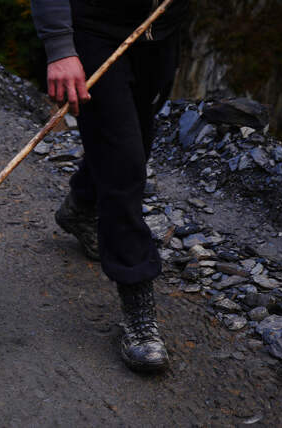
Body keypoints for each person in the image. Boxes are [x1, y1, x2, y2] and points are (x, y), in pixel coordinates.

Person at [31, 0, 189, 372]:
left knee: (135, 144)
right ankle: (137, 307)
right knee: (124, 164)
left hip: (160, 32)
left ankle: (82, 206)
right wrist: (59, 47)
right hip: (93, 33)